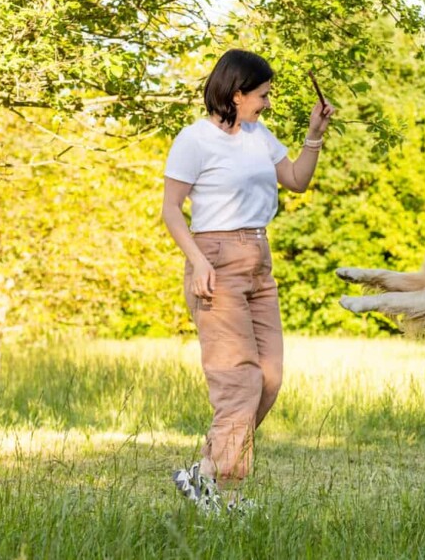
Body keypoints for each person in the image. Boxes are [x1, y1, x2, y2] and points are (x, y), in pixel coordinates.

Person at [162, 49, 335, 512]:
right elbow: (170, 211)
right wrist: (198, 262)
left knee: (269, 379)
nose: (266, 103)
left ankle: (204, 472)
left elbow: (296, 179)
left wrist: (314, 136)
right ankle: (225, 493)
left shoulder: (260, 135)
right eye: (261, 95)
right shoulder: (194, 140)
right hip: (215, 260)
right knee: (238, 381)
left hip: (260, 258)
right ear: (236, 93)